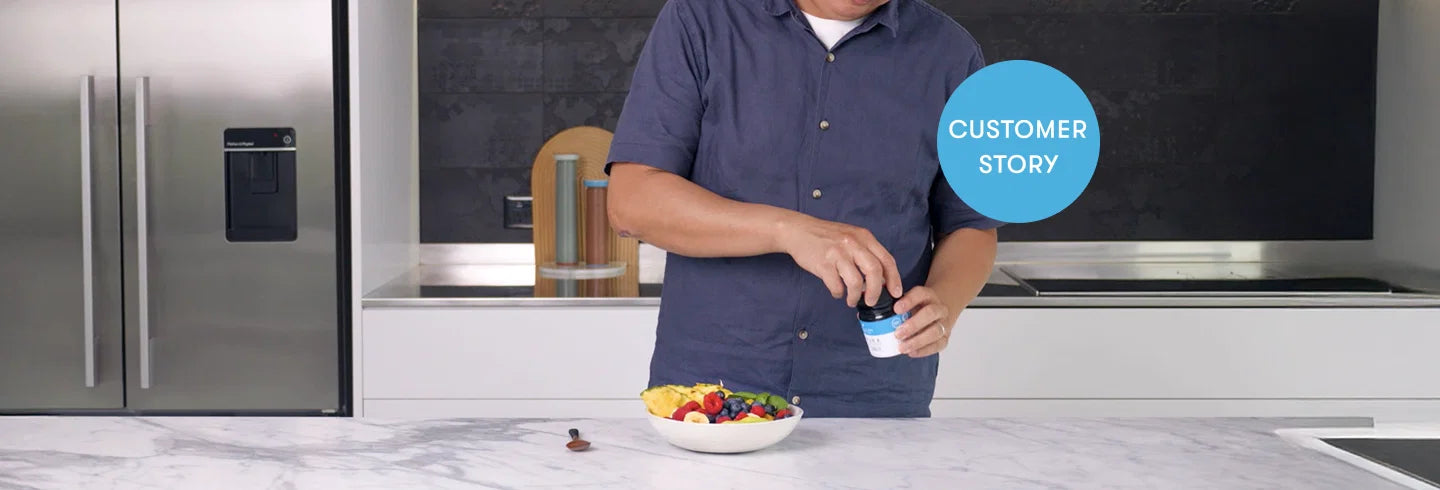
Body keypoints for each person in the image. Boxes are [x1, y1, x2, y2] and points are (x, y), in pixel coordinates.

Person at [605, 0, 1002, 418]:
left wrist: (945, 301)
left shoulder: (952, 54)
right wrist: (787, 231)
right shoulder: (700, 19)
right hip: (712, 397)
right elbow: (632, 202)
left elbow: (971, 226)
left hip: (874, 396)